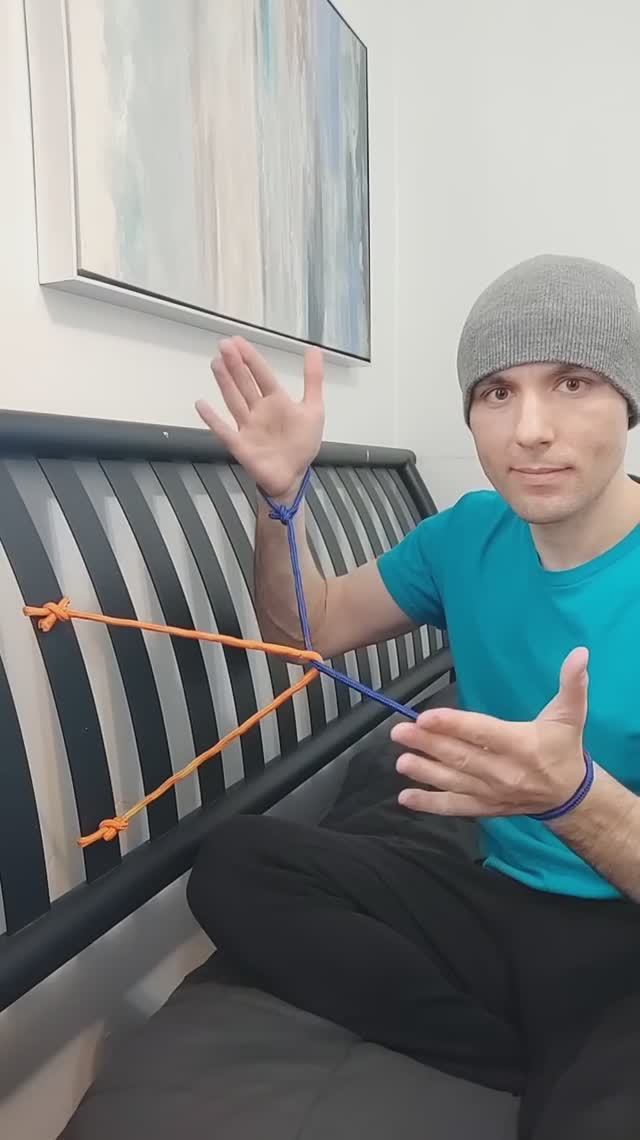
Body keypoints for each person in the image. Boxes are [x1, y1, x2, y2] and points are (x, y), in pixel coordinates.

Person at [189, 254, 640, 1140]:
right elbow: (306, 628)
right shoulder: (465, 534)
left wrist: (572, 797)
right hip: (495, 900)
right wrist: (281, 501)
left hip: (626, 933)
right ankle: (526, 1057)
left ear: (628, 402)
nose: (531, 430)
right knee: (236, 865)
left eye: (572, 383)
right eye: (497, 393)